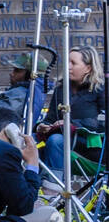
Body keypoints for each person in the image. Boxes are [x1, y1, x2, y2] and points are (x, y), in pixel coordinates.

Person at [35, 45, 106, 177]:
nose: (68, 66)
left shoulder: (100, 90)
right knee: (29, 141)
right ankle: (31, 187)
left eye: (73, 63)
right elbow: (50, 118)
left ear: (88, 68)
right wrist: (41, 126)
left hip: (91, 147)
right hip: (61, 141)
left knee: (56, 140)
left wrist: (71, 124)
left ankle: (52, 189)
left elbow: (102, 123)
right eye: (67, 61)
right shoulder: (60, 90)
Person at [0, 52, 48, 124]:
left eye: (17, 71)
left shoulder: (19, 94)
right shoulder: (35, 92)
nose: (12, 74)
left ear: (30, 75)